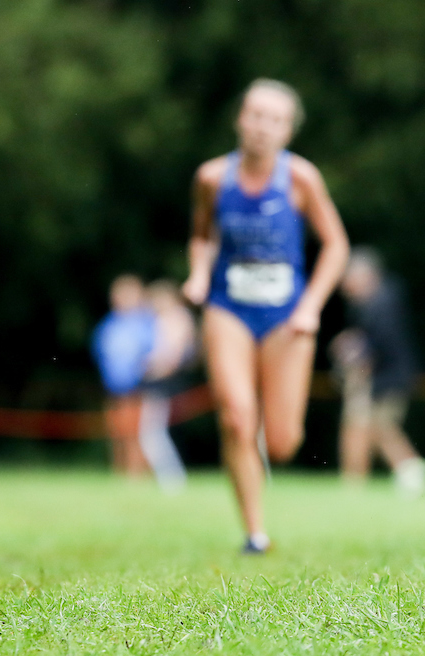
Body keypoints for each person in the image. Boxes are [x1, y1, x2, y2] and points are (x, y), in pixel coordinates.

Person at [182, 78, 348, 554]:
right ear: (240, 119)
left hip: (287, 316)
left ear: (288, 131)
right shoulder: (212, 178)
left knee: (281, 442)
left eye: (273, 120)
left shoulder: (301, 179)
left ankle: (268, 460)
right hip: (227, 308)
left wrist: (312, 306)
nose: (261, 127)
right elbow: (201, 235)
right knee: (236, 418)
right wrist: (197, 274)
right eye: (254, 115)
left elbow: (336, 245)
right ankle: (255, 533)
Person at [333, 247, 424, 494]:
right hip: (389, 378)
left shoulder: (380, 303)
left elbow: (379, 345)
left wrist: (353, 349)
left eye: (348, 278)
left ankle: (410, 472)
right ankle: (403, 473)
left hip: (388, 379)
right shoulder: (377, 301)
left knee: (378, 427)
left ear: (365, 275)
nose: (344, 285)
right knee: (377, 427)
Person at [91, 274, 154, 478]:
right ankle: (120, 472)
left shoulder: (147, 323)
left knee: (139, 435)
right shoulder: (107, 326)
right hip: (114, 390)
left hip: (140, 390)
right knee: (117, 434)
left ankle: (138, 475)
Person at [137, 280, 196, 493]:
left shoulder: (176, 318)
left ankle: (172, 479)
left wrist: (150, 366)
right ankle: (170, 478)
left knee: (152, 433)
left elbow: (172, 356)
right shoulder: (163, 319)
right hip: (162, 381)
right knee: (153, 433)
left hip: (164, 383)